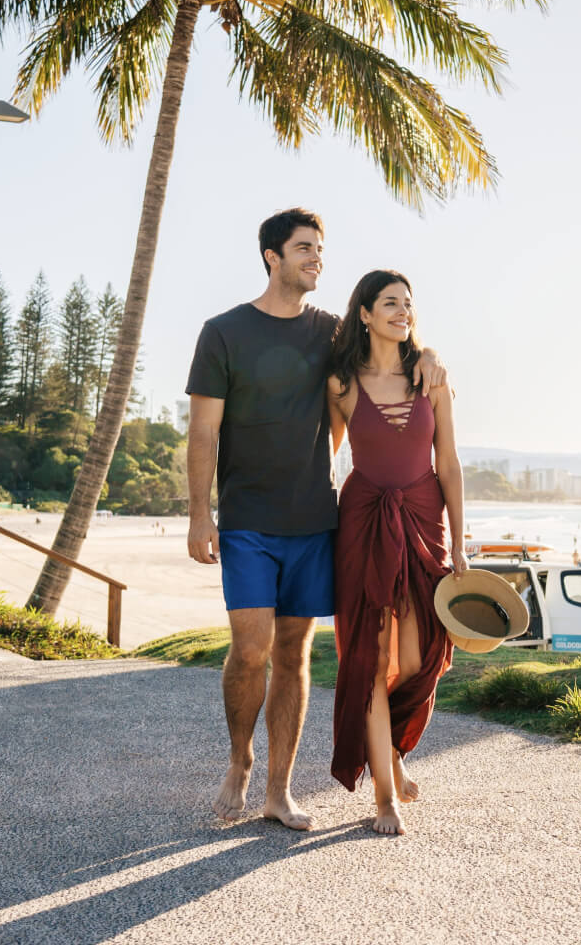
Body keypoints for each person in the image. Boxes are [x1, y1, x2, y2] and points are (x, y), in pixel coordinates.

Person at [187, 209, 447, 832]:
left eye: (320, 250)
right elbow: (203, 431)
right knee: (250, 651)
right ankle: (240, 761)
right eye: (304, 249)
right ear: (272, 257)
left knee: (294, 653)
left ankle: (278, 791)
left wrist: (430, 352)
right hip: (247, 520)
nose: (316, 259)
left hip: (313, 522)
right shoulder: (223, 332)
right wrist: (201, 514)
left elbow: (387, 349)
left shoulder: (331, 331)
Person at [324, 269, 463, 836]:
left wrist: (462, 545)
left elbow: (449, 463)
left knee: (421, 655)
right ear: (364, 313)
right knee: (370, 660)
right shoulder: (340, 383)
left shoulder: (431, 377)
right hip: (362, 523)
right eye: (389, 303)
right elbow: (323, 461)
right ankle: (384, 797)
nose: (401, 311)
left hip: (425, 520)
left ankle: (395, 752)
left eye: (408, 303)